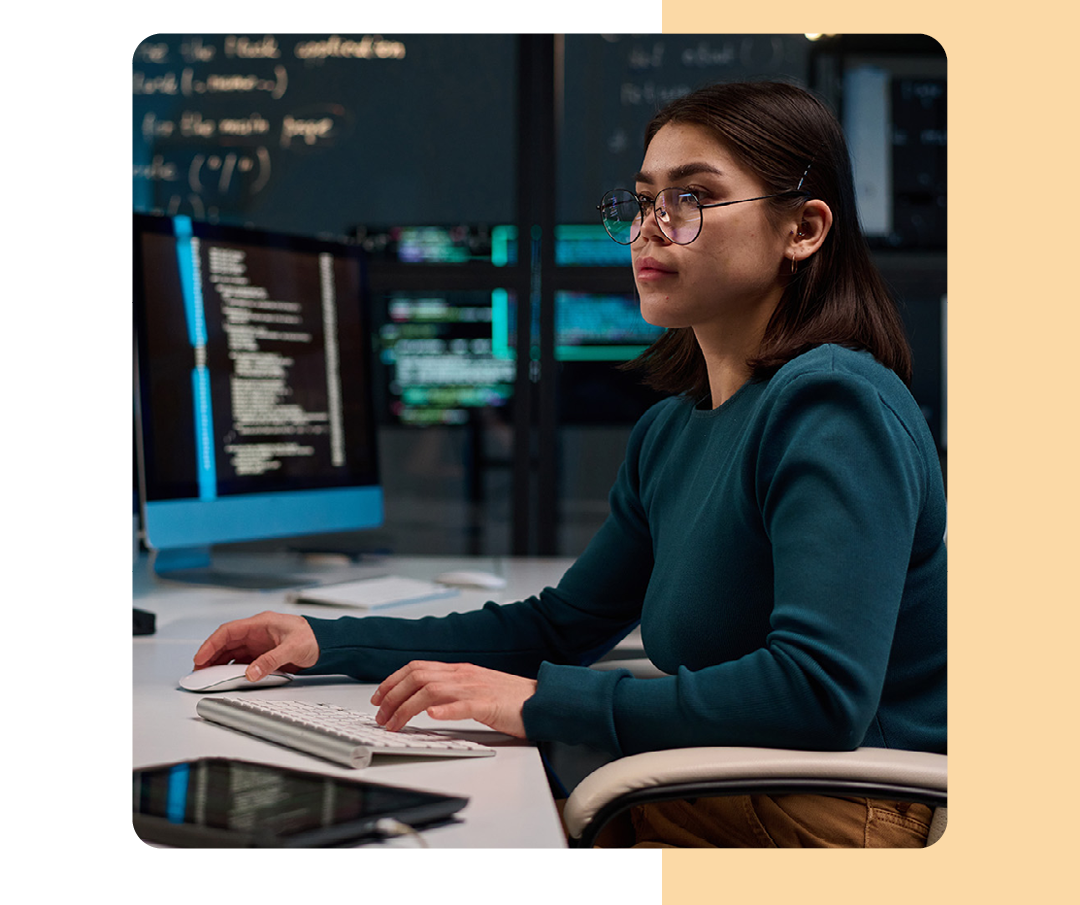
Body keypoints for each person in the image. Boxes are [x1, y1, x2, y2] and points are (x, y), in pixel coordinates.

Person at [193, 81, 946, 848]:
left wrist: (534, 703)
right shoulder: (673, 431)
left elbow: (817, 694)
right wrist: (327, 642)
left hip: (836, 815)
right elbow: (559, 627)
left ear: (804, 229)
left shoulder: (835, 407)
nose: (650, 229)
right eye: (644, 201)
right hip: (736, 784)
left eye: (691, 199)